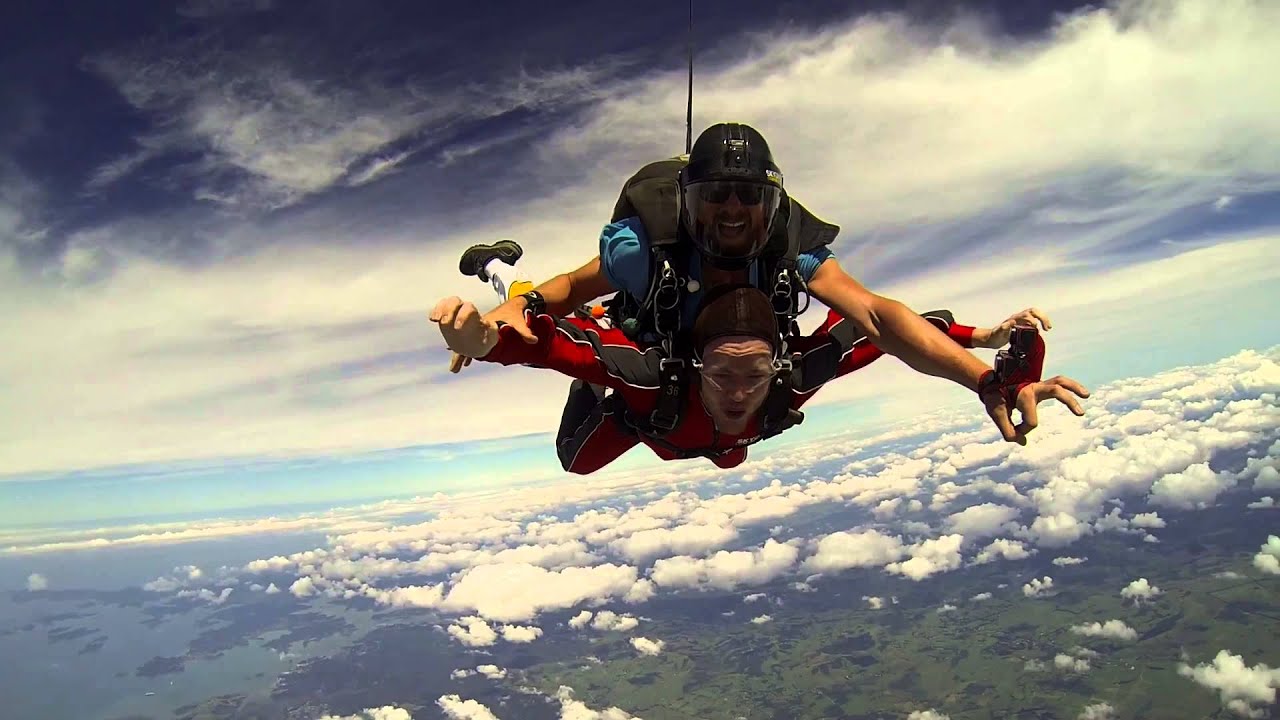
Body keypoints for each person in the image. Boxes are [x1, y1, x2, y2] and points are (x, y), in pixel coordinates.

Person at [446, 121, 1073, 445]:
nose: (732, 217)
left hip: (717, 386)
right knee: (577, 415)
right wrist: (502, 321)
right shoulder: (645, 251)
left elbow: (880, 319)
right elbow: (562, 294)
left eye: (750, 200)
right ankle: (498, 266)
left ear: (773, 210)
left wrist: (986, 365)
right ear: (687, 204)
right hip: (647, 334)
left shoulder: (787, 257)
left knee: (732, 445)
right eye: (716, 198)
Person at [430, 283, 1090, 474]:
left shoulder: (793, 379)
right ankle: (600, 373)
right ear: (695, 367)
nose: (741, 389)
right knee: (576, 461)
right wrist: (485, 337)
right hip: (639, 415)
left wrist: (988, 353)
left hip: (693, 434)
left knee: (731, 456)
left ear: (778, 366)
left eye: (756, 371)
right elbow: (553, 346)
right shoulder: (652, 379)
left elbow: (891, 328)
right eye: (723, 372)